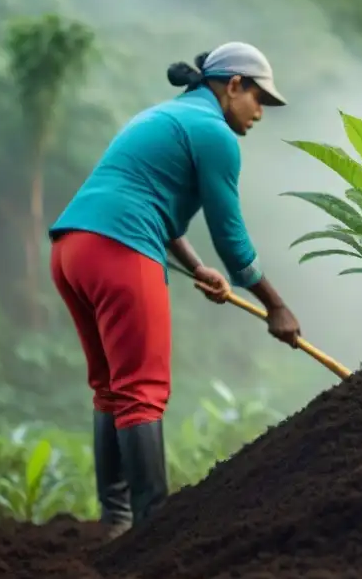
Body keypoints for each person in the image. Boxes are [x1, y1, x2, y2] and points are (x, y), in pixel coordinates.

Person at [48, 41, 302, 537]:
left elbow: (153, 204)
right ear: (233, 85)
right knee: (141, 391)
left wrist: (196, 266)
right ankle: (151, 532)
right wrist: (276, 306)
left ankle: (118, 523)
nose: (260, 114)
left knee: (110, 389)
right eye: (259, 100)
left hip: (72, 252)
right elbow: (232, 238)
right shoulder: (215, 134)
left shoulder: (163, 117)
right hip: (122, 252)